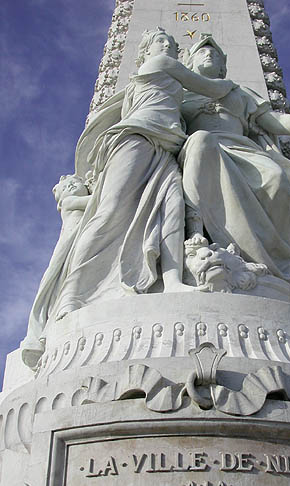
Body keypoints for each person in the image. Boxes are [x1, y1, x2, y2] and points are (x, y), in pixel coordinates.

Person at [52, 28, 234, 321]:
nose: (168, 47)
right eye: (161, 42)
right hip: (138, 138)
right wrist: (239, 98)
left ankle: (172, 281)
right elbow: (215, 89)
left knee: (173, 206)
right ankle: (72, 295)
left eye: (172, 45)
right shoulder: (162, 64)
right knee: (109, 210)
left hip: (167, 148)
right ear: (146, 52)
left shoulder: (166, 73)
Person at [179, 35, 290, 299]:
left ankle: (274, 267)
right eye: (202, 52)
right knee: (201, 142)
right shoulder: (179, 91)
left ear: (224, 66)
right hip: (200, 149)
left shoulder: (237, 93)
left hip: (243, 150)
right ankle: (196, 243)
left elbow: (274, 122)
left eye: (214, 52)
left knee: (275, 179)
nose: (208, 55)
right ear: (189, 62)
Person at [21, 175, 90, 369]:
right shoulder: (69, 202)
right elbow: (98, 199)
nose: (71, 186)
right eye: (67, 187)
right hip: (69, 242)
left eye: (74, 183)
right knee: (56, 279)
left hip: (78, 238)